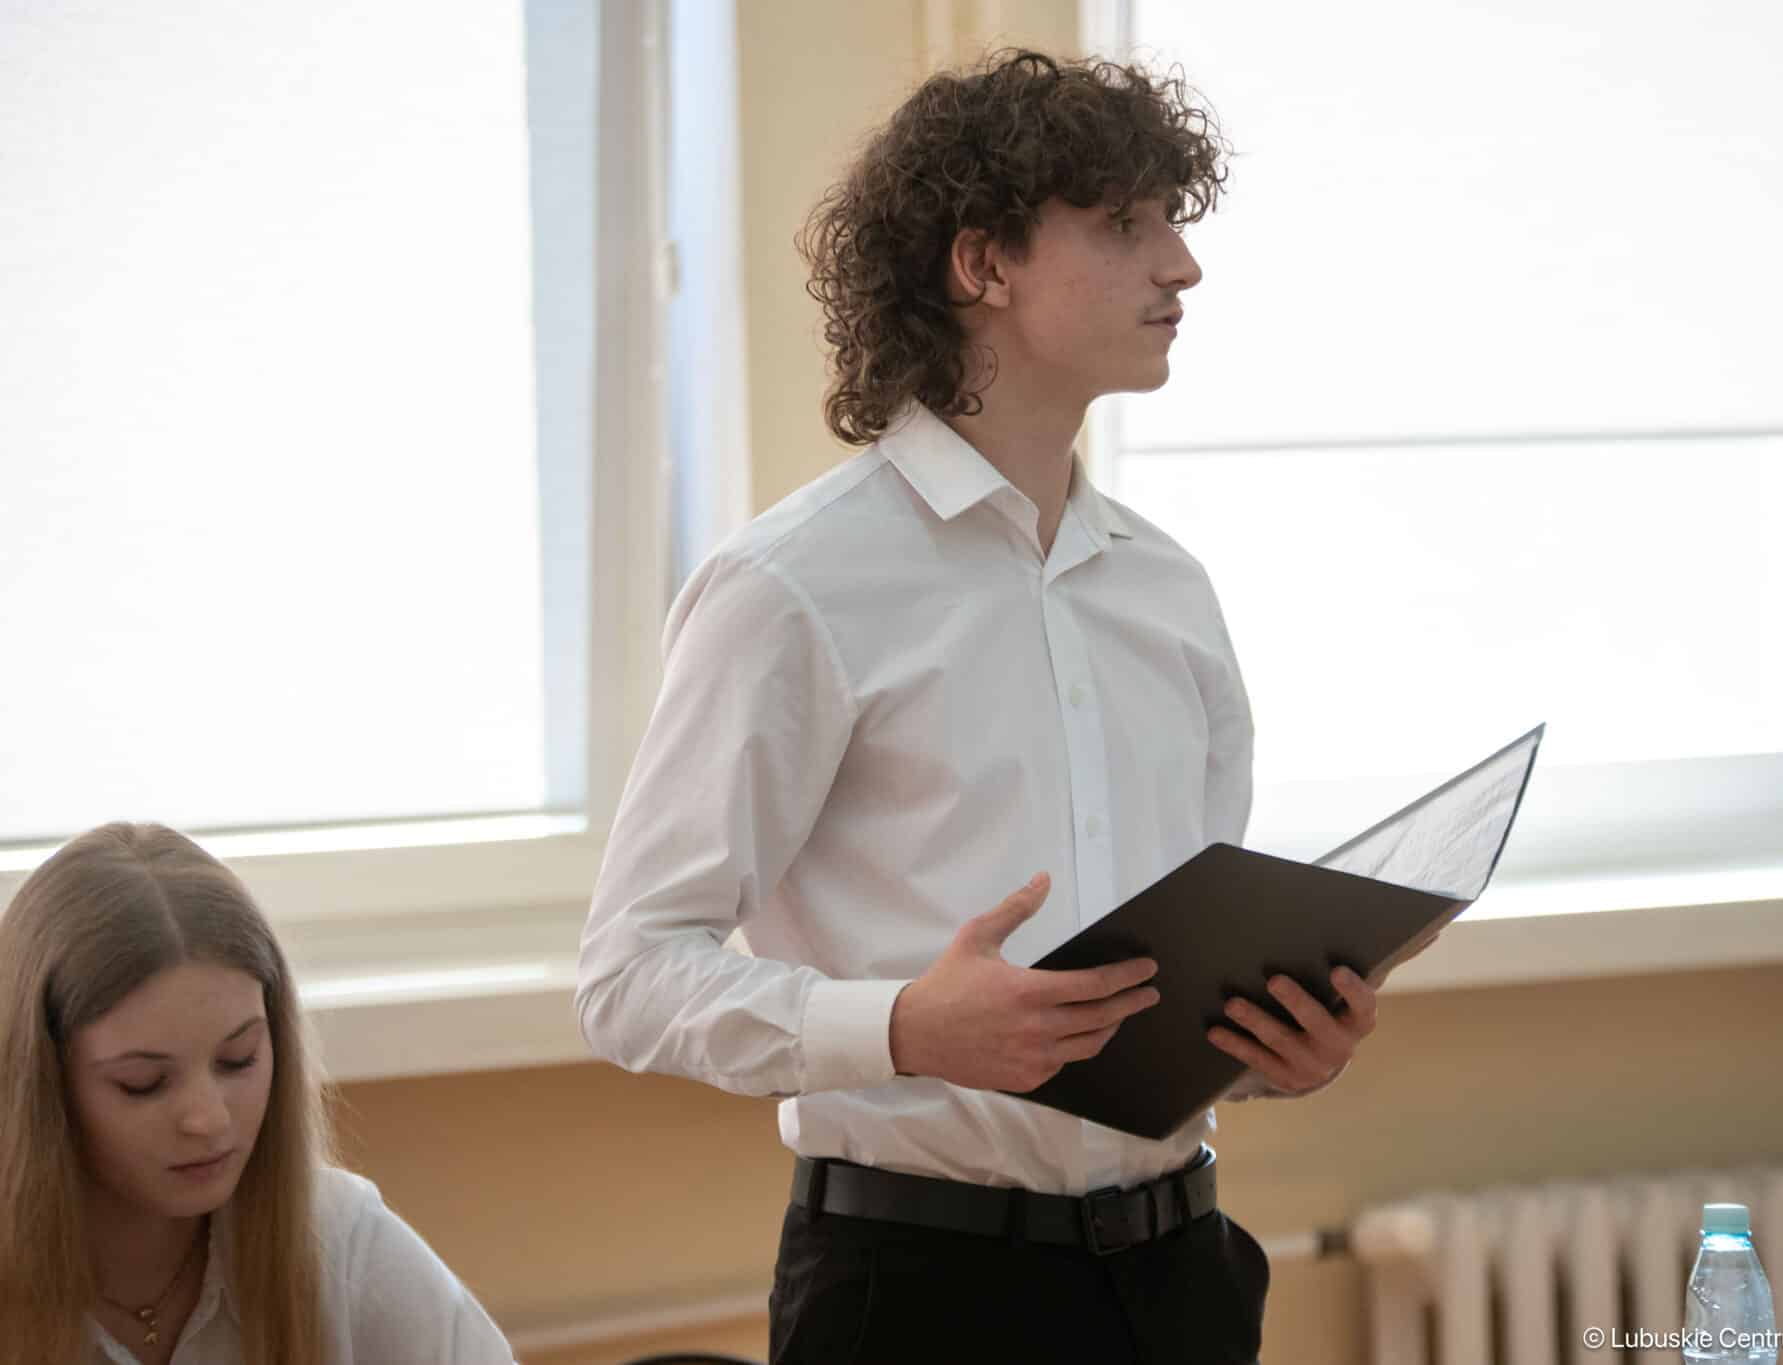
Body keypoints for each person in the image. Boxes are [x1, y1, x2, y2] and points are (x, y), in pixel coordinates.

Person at [577, 47, 1379, 1364]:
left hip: (1184, 1278)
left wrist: (1267, 1038)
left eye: (1173, 221)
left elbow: (1165, 979)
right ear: (982, 265)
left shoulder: (1171, 593)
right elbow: (627, 975)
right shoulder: (790, 587)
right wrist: (900, 1024)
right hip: (920, 1294)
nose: (1181, 266)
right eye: (1125, 224)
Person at [0, 822, 520, 1365]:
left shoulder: (337, 1238)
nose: (208, 1119)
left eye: (238, 1059)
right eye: (143, 1084)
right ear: (41, 1084)